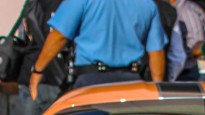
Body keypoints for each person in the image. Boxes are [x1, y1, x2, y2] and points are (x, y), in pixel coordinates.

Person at [28, 0, 167, 92]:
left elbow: (59, 36)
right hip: (131, 81)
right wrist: (157, 88)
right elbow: (156, 53)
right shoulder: (146, 4)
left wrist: (38, 70)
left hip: (91, 80)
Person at [168, 0, 205, 81]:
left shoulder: (186, 10)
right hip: (182, 71)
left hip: (189, 72)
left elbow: (197, 45)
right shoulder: (175, 8)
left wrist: (177, 55)